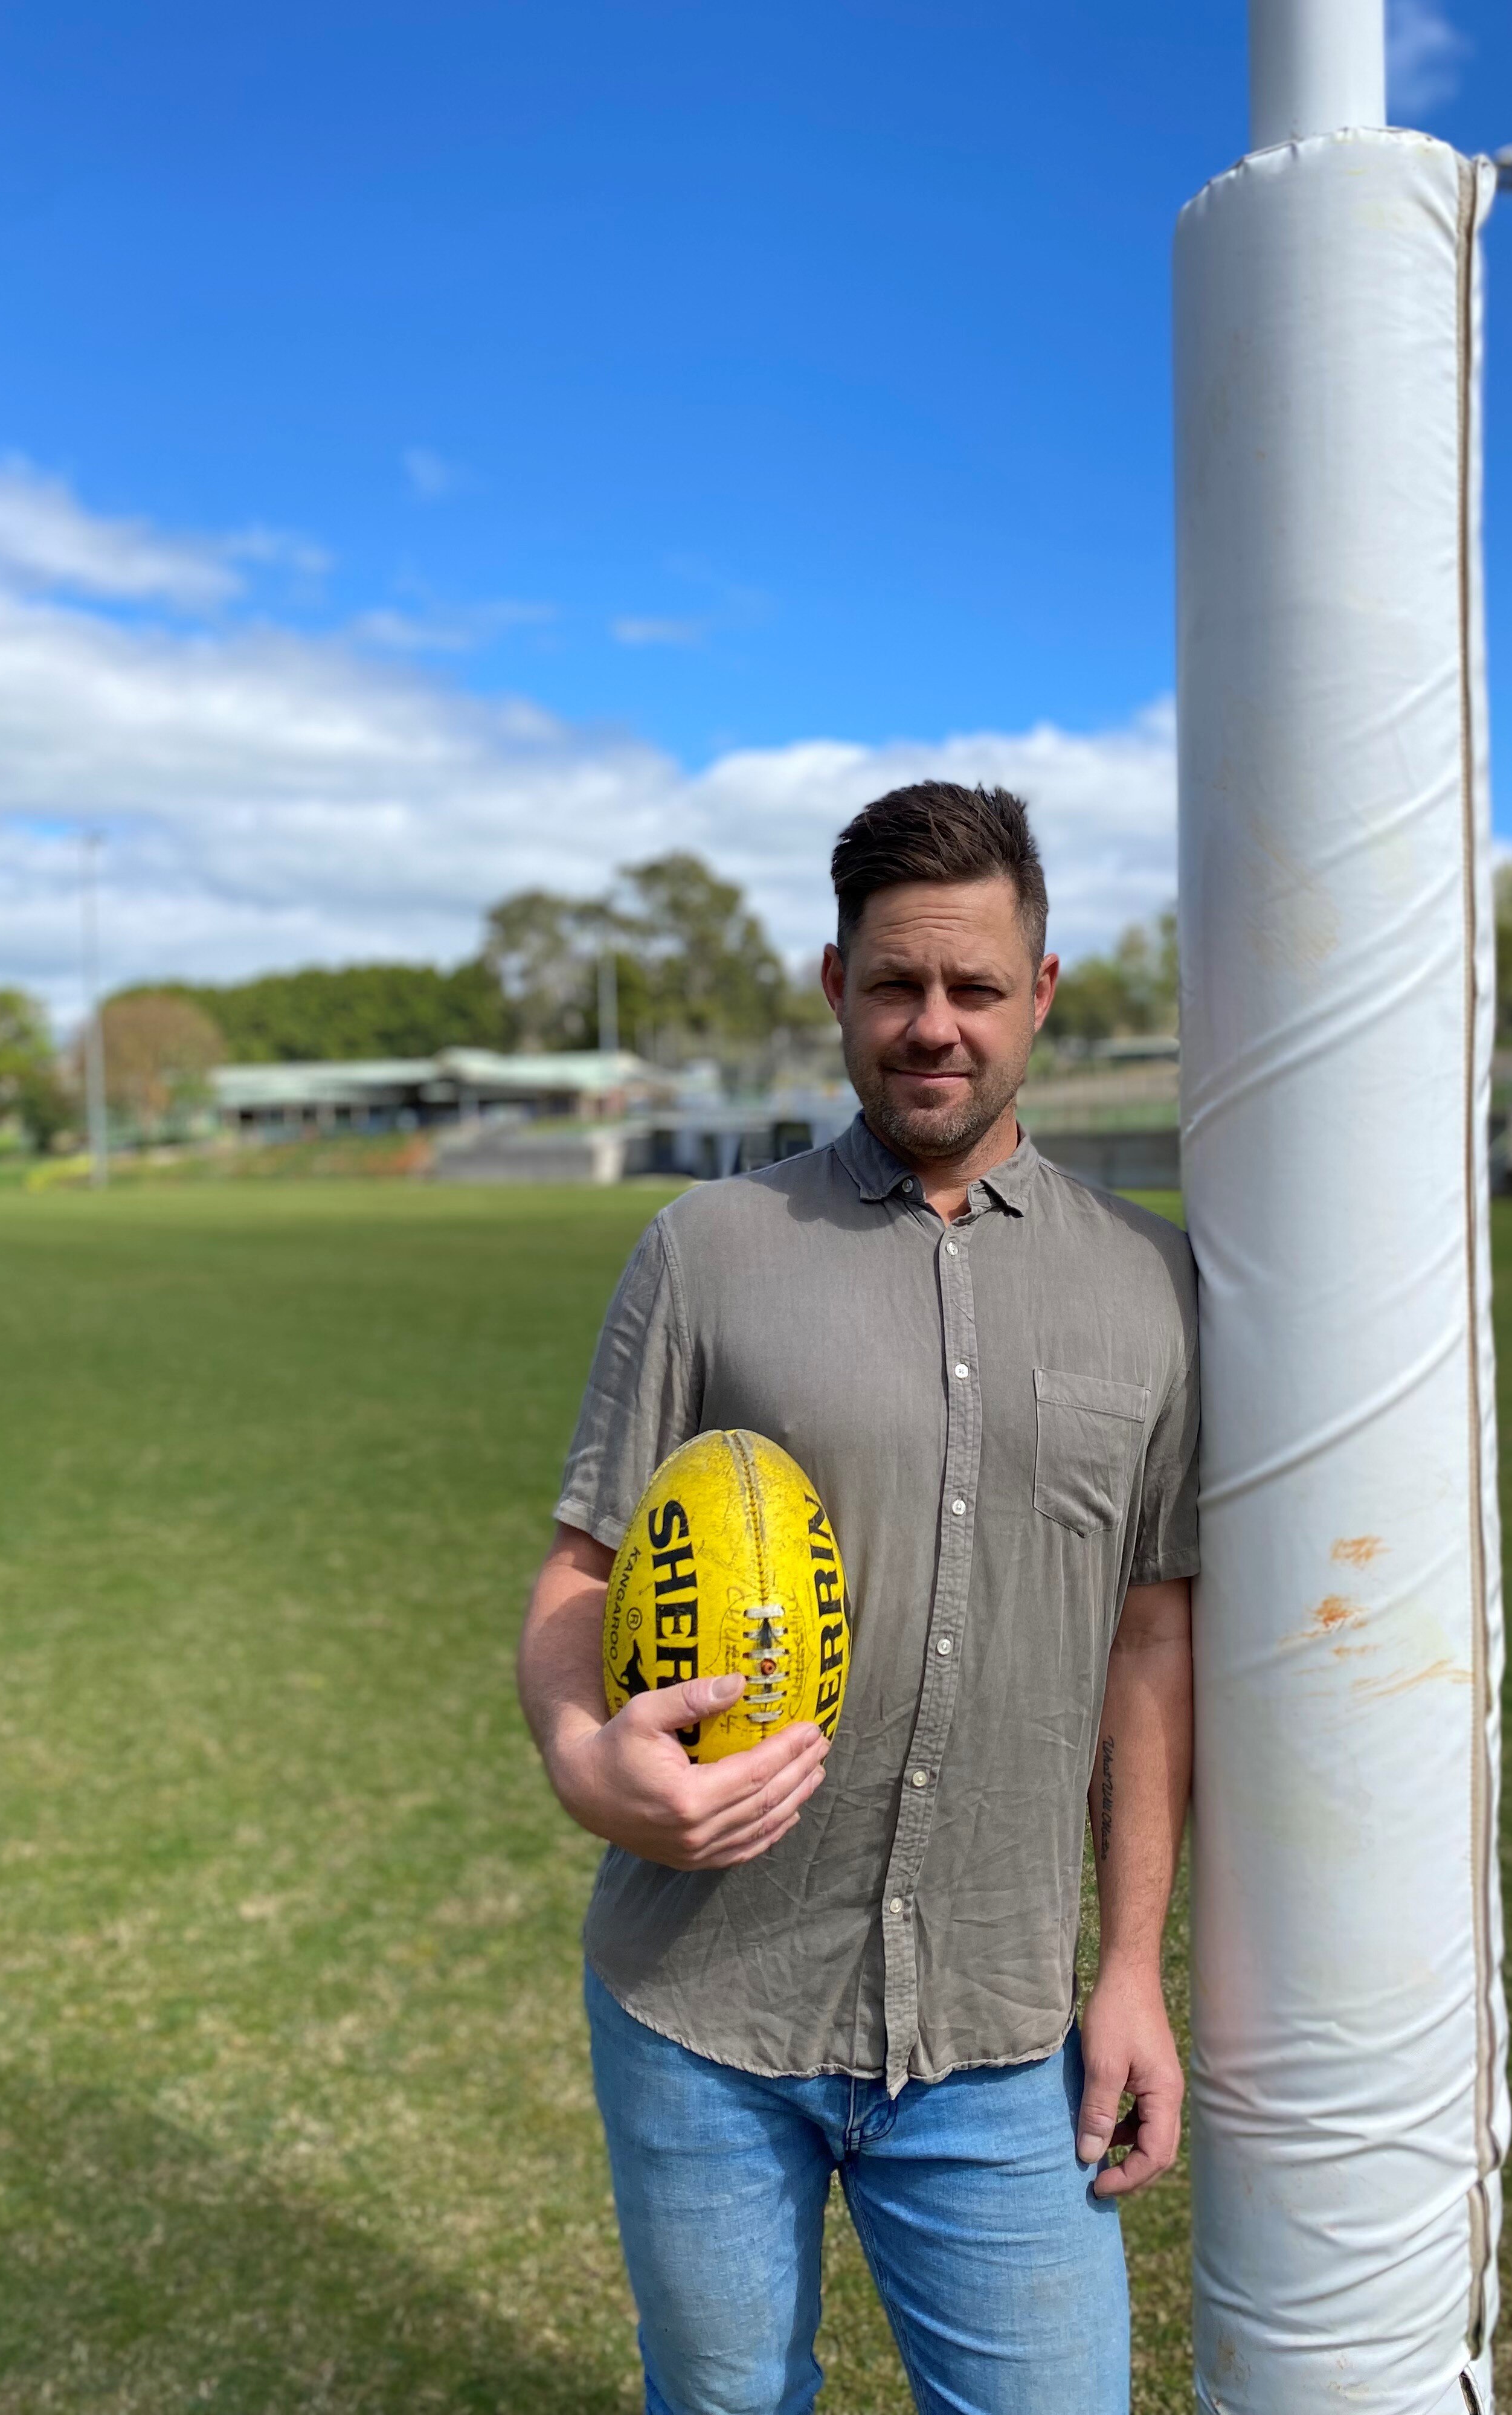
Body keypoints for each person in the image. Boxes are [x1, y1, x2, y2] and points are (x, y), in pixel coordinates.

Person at [517, 780, 1199, 2415]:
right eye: (895, 985)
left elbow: (1152, 1638)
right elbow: (579, 1573)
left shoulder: (1157, 1284)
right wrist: (574, 1749)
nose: (933, 1028)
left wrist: (1132, 1971)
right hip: (704, 2009)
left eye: (975, 988)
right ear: (836, 987)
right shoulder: (708, 1249)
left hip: (1001, 2036)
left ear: (1044, 992)